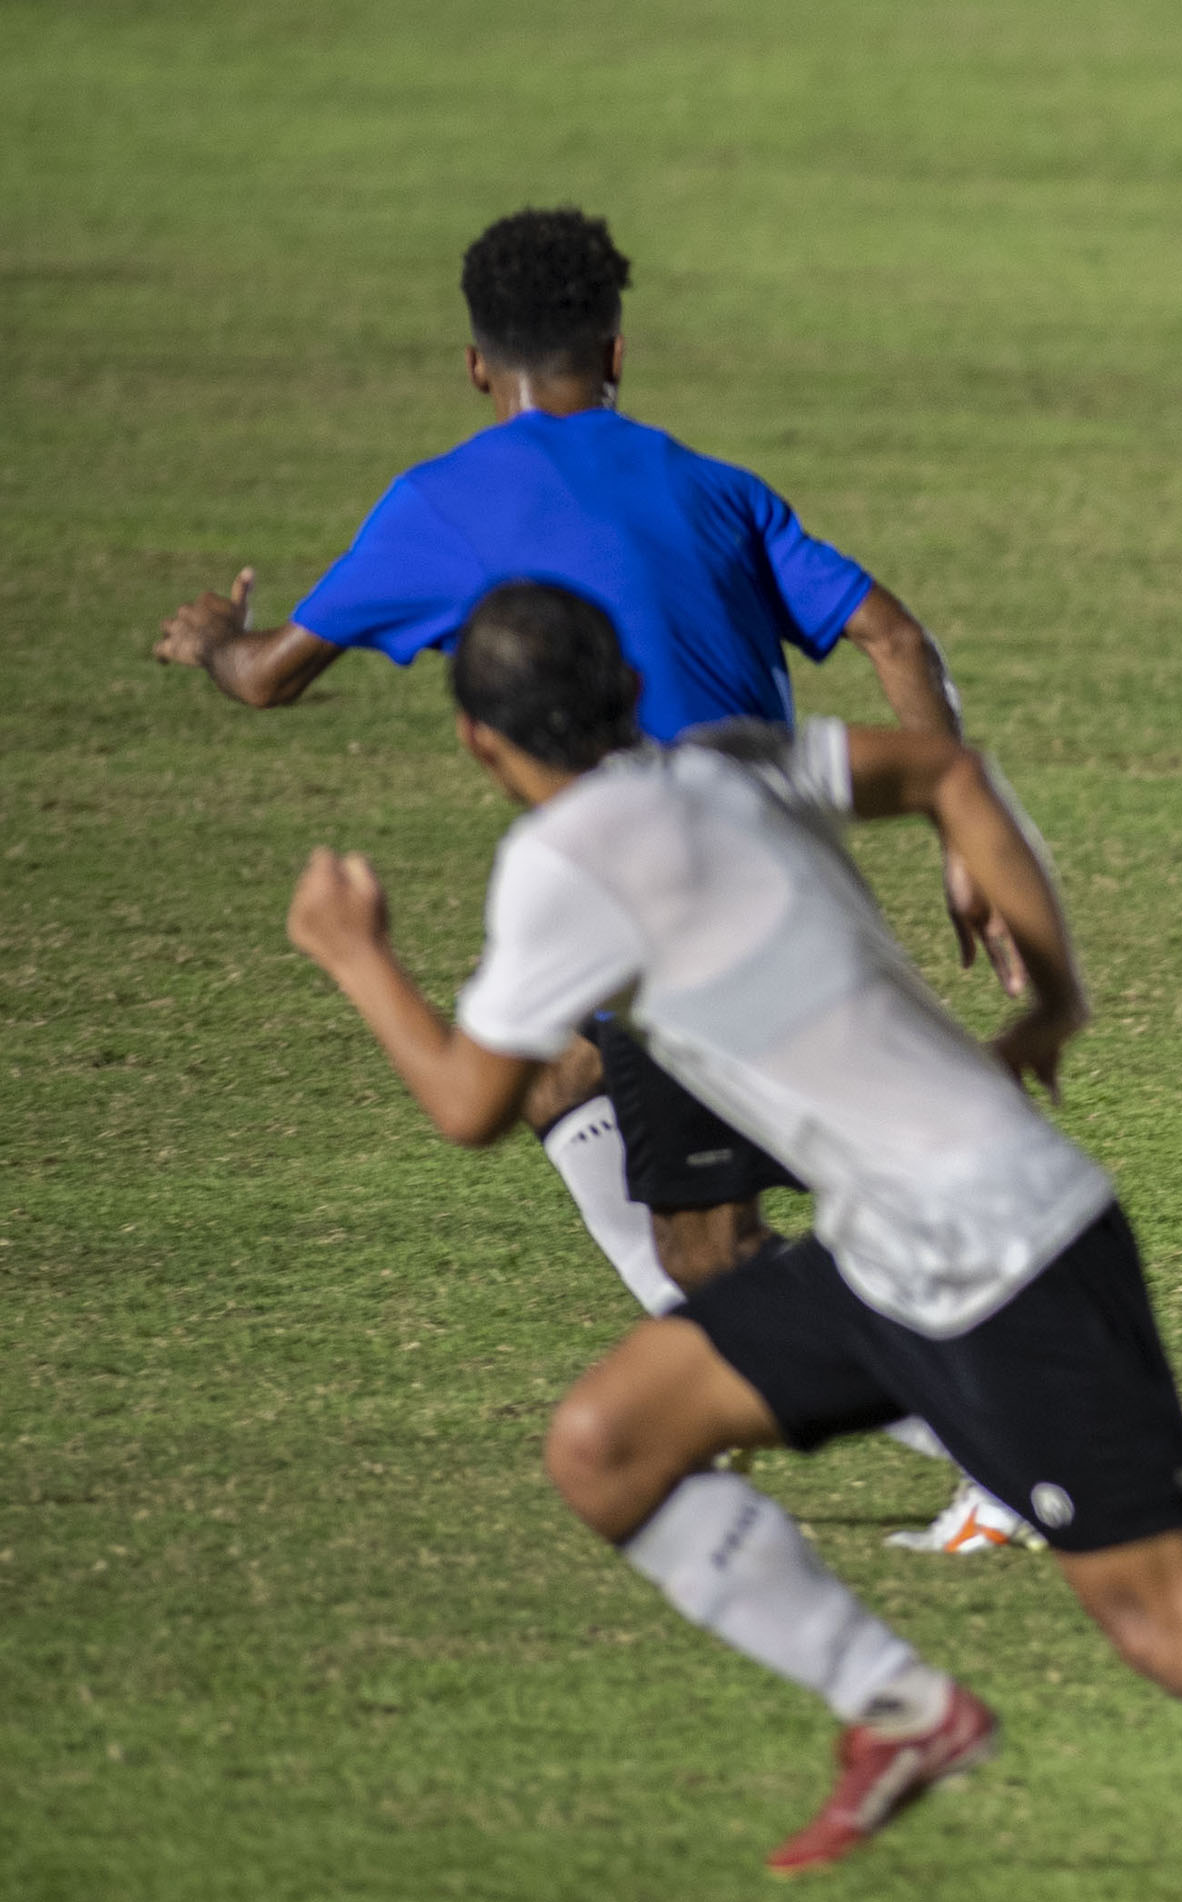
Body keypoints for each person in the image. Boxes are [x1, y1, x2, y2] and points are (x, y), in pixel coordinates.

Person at [278, 583, 1182, 1902]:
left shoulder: (561, 863)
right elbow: (947, 767)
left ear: (477, 739)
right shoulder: (726, 754)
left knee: (1177, 1630)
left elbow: (476, 1102)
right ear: (622, 691)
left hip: (1006, 1252)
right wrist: (1056, 991)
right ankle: (904, 1706)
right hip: (887, 1245)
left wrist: (355, 954)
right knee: (609, 1442)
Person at [150, 207, 1033, 1555]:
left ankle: (994, 1451)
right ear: (616, 347)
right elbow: (896, 636)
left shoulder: (436, 502)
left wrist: (216, 635)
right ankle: (746, 1375)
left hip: (668, 904)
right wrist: (968, 849)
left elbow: (271, 679)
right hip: (765, 858)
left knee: (712, 1247)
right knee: (562, 1086)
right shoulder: (712, 483)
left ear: (472, 362)